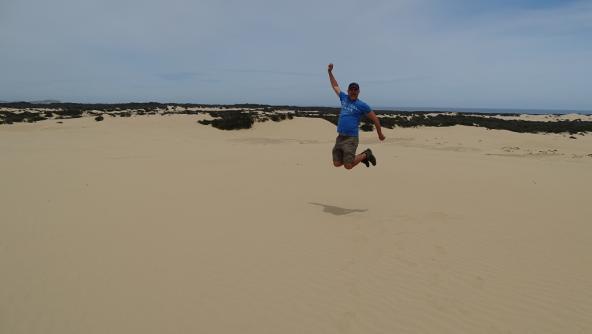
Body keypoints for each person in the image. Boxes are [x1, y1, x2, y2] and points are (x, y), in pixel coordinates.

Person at [328, 63, 385, 170]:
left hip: (351, 139)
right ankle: (362, 157)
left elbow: (375, 119)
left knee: (348, 165)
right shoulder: (344, 98)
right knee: (337, 164)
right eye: (351, 90)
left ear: (358, 91)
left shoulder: (362, 105)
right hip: (340, 137)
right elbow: (335, 86)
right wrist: (330, 72)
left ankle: (366, 154)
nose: (353, 92)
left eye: (355, 90)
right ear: (348, 91)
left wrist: (380, 134)